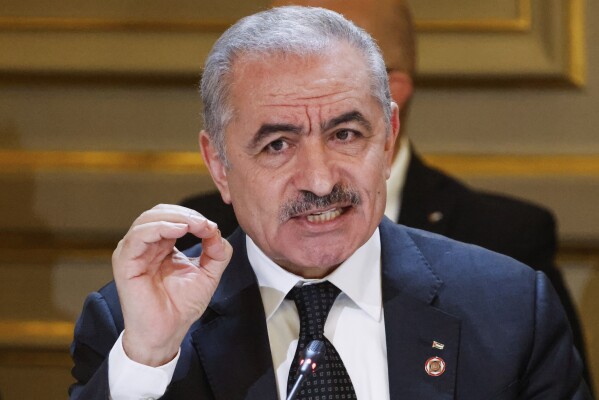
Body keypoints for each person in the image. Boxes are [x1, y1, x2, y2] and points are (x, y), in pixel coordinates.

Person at [70, 6, 591, 399]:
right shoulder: (131, 327)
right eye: (277, 144)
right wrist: (149, 359)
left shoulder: (510, 308)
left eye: (345, 134)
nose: (319, 181)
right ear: (218, 164)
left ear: (388, 137)